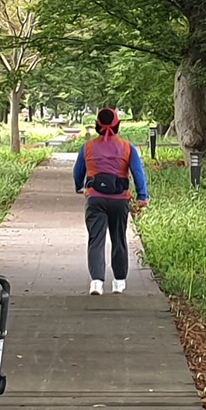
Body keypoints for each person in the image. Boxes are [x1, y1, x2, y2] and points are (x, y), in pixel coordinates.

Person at [73, 108, 149, 295]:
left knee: (96, 240)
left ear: (98, 125)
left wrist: (79, 186)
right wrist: (142, 196)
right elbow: (138, 173)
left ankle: (97, 282)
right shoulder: (127, 147)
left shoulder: (87, 147)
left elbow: (77, 172)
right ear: (117, 125)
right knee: (119, 239)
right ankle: (119, 281)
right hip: (119, 200)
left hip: (95, 198)